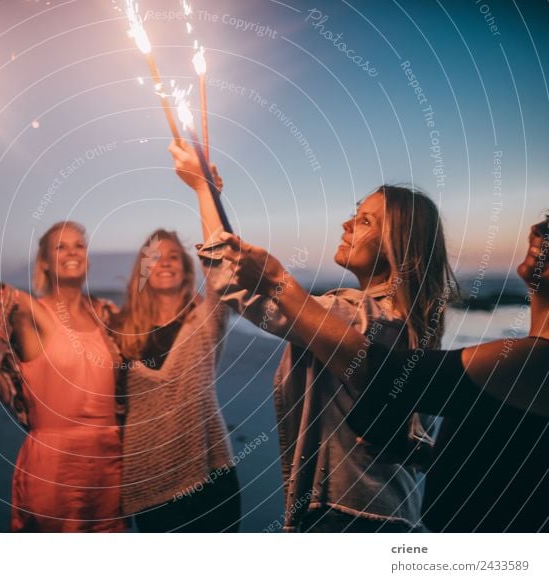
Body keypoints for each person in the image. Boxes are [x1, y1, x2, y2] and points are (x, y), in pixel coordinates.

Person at [170, 143, 457, 532]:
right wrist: (209, 193)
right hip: (391, 516)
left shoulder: (363, 319)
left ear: (398, 249)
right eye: (354, 215)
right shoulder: (405, 326)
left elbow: (233, 283)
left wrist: (203, 191)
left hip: (348, 519)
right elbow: (239, 281)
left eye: (366, 222)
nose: (346, 225)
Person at [211, 218, 549, 531]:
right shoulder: (429, 334)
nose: (539, 227)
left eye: (367, 219)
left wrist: (277, 281)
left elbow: (380, 377)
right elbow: (504, 465)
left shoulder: (531, 361)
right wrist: (416, 452)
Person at [0, 180, 124, 532]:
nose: (73, 252)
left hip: (111, 463)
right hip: (56, 465)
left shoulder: (106, 317)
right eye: (60, 247)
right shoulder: (30, 312)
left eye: (79, 245)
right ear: (45, 262)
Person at [113, 161, 241, 532]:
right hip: (147, 483)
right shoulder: (120, 331)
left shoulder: (204, 321)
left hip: (209, 476)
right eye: (154, 257)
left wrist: (206, 194)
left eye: (172, 256)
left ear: (186, 269)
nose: (164, 262)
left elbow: (224, 266)